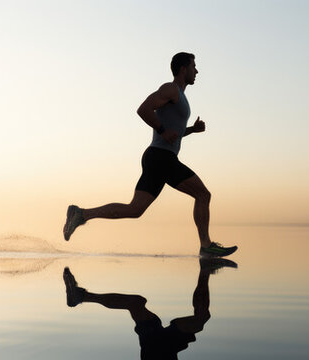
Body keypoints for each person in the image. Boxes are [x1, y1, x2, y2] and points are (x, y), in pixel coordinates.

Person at [62, 52, 236, 258]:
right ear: (183, 69)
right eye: (194, 66)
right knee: (203, 195)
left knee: (135, 209)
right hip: (161, 158)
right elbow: (143, 109)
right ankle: (206, 245)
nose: (196, 71)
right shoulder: (171, 89)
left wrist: (190, 130)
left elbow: (173, 132)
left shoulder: (180, 95)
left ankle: (82, 214)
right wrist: (162, 130)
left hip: (158, 157)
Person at [62, 258, 236, 359]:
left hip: (158, 351)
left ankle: (205, 270)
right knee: (136, 303)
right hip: (160, 349)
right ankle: (81, 296)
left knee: (200, 319)